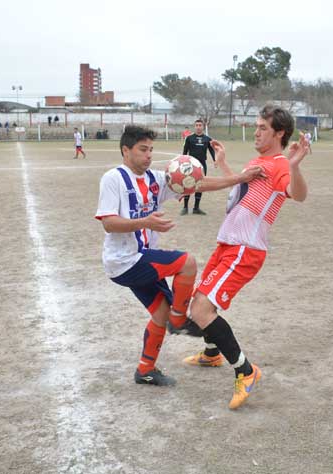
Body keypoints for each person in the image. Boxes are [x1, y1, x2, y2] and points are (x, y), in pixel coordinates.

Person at [95, 125, 264, 386]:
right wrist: (145, 222)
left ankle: (145, 370)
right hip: (125, 259)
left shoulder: (154, 179)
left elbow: (199, 183)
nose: (149, 155)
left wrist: (239, 179)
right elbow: (108, 222)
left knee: (158, 314)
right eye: (143, 149)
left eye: (151, 149)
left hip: (140, 258)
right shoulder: (113, 178)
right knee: (187, 263)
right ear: (125, 150)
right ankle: (179, 319)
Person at [184, 104, 309, 410]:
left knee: (201, 309)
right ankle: (212, 353)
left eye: (262, 128)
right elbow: (239, 190)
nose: (256, 132)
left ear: (279, 133)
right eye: (256, 126)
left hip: (245, 248)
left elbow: (299, 194)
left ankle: (246, 370)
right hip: (227, 242)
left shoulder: (279, 164)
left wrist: (294, 165)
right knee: (199, 301)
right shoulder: (258, 161)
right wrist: (226, 165)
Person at [181, 119, 215, 215]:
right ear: (194, 126)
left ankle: (196, 208)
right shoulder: (189, 138)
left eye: (200, 125)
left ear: (203, 127)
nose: (198, 127)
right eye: (197, 125)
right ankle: (185, 207)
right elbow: (184, 151)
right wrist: (183, 162)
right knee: (187, 184)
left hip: (202, 165)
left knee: (200, 185)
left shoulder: (207, 139)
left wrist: (215, 160)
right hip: (190, 165)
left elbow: (211, 150)